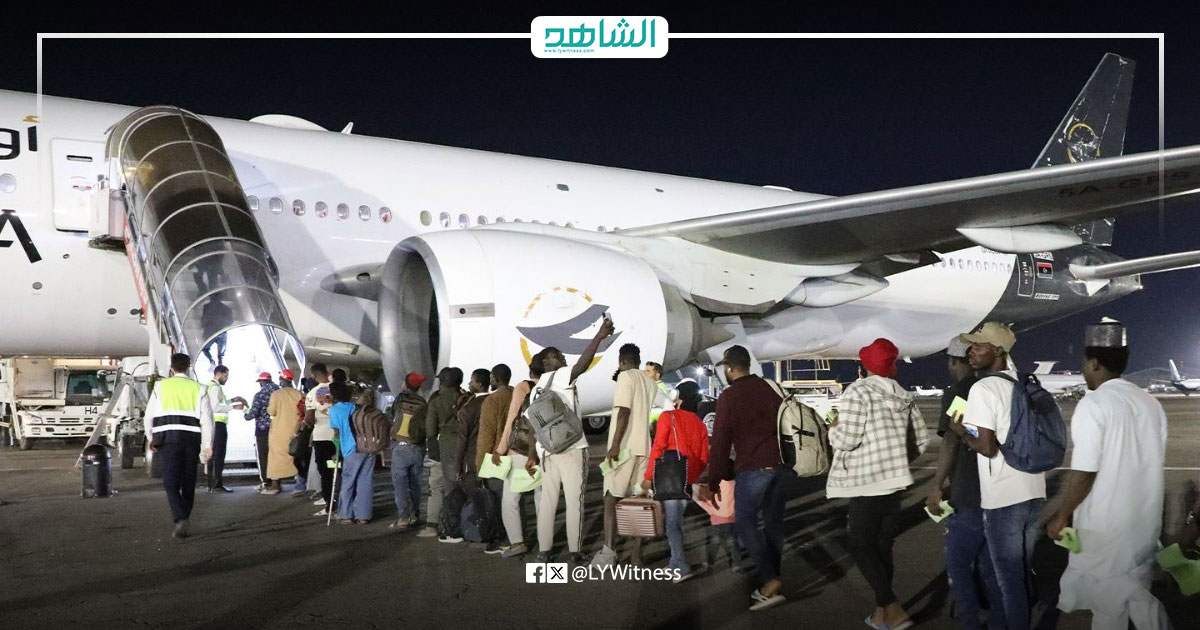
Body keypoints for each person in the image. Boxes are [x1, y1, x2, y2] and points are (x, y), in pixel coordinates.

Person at [1046, 320, 1171, 629]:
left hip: (1107, 529)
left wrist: (1062, 514)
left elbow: (1085, 471)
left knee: (1110, 606)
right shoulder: (1150, 403)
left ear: (1094, 363)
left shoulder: (1094, 404)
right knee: (1136, 597)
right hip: (1144, 524)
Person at [947, 322, 1047, 630]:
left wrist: (961, 432)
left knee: (1008, 581)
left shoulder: (983, 388)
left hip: (1004, 496)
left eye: (978, 346)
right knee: (1019, 574)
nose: (971, 351)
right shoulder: (1025, 383)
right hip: (1034, 490)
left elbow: (986, 447)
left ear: (998, 351)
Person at [828, 338, 928, 630]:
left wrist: (833, 430)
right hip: (895, 483)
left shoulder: (858, 391)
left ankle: (893, 609)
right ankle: (880, 614)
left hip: (867, 482)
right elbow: (921, 440)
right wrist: (898, 459)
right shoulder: (904, 395)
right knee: (882, 547)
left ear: (865, 365)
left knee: (860, 545)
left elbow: (848, 439)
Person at [925, 335, 1006, 630]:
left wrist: (937, 485)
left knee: (959, 565)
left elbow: (951, 440)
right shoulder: (992, 386)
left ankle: (969, 620)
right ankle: (998, 620)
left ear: (953, 362)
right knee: (991, 566)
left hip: (969, 491)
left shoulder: (960, 392)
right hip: (998, 490)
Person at [527, 316, 616, 564]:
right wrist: (599, 336)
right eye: (557, 355)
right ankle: (575, 551)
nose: (563, 357)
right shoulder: (561, 376)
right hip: (572, 448)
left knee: (547, 502)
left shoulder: (536, 390)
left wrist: (533, 454)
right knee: (574, 501)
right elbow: (581, 366)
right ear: (547, 362)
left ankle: (544, 552)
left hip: (547, 452)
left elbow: (533, 426)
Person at [708, 344, 789, 611]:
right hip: (781, 466)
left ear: (730, 369)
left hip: (753, 468)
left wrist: (715, 480)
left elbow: (720, 443)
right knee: (773, 525)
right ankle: (772, 582)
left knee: (746, 523)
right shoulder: (771, 388)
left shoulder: (729, 396)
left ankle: (770, 578)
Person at [593, 343, 657, 566]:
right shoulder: (650, 381)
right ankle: (636, 554)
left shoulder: (625, 377)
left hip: (624, 448)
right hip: (644, 447)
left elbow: (624, 411)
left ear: (622, 361)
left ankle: (609, 552)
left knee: (611, 497)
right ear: (638, 360)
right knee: (639, 500)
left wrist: (614, 446)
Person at [641, 382, 709, 581]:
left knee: (672, 524)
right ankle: (673, 563)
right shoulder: (699, 424)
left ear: (680, 400)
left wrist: (648, 477)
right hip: (686, 478)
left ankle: (682, 567)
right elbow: (704, 457)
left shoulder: (668, 417)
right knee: (676, 521)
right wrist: (690, 476)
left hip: (669, 477)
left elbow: (658, 447)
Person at [144, 353, 214, 540]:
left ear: (171, 368)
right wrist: (208, 445)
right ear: (189, 367)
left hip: (168, 440)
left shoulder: (160, 386)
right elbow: (207, 420)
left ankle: (180, 517)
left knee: (170, 482)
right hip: (191, 440)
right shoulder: (200, 388)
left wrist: (150, 437)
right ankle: (185, 516)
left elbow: (149, 416)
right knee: (189, 481)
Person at [492, 362, 544, 558]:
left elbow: (512, 420)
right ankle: (544, 542)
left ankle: (517, 542)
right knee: (542, 497)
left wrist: (501, 448)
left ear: (531, 371)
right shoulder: (552, 385)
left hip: (521, 451)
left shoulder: (523, 387)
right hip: (544, 449)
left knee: (511, 498)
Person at [419, 367, 467, 540]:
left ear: (443, 382)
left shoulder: (437, 401)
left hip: (443, 449)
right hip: (467, 447)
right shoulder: (467, 398)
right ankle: (468, 524)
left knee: (440, 487)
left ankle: (438, 526)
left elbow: (431, 430)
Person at [444, 368, 491, 544]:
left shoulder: (468, 408)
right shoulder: (494, 401)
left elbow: (462, 439)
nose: (469, 383)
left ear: (478, 383)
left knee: (475, 499)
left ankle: (479, 532)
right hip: (494, 456)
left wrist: (457, 466)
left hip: (472, 459)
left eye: (472, 380)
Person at [476, 364, 513, 554]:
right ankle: (517, 537)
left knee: (498, 502)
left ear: (496, 379)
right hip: (516, 453)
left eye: (491, 377)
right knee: (515, 501)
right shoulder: (515, 395)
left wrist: (480, 465)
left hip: (497, 457)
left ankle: (504, 539)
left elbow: (486, 436)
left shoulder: (492, 401)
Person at [327, 381, 372, 523]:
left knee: (348, 482)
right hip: (368, 447)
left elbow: (337, 433)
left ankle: (346, 515)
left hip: (350, 448)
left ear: (334, 396)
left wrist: (336, 452)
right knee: (365, 482)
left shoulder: (334, 410)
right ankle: (363, 516)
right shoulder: (356, 407)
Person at [389, 372, 428, 530]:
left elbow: (391, 417)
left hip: (400, 447)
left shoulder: (400, 399)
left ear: (405, 384)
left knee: (400, 485)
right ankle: (415, 515)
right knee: (415, 484)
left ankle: (403, 518)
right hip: (417, 447)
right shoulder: (423, 403)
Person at [205, 365, 245, 494]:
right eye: (226, 375)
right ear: (219, 374)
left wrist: (232, 400)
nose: (227, 378)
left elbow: (218, 403)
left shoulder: (210, 386)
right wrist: (234, 407)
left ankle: (211, 484)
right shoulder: (215, 388)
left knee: (212, 454)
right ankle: (217, 484)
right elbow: (215, 407)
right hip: (218, 424)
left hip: (213, 424)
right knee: (219, 455)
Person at [263, 370, 303, 495]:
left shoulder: (276, 394)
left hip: (279, 432)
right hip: (295, 430)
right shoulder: (299, 394)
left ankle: (276, 485)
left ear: (281, 380)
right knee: (296, 457)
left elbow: (271, 411)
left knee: (276, 458)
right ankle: (300, 485)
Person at [303, 364, 336, 516]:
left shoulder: (311, 394)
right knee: (339, 468)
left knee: (326, 472)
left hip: (322, 438)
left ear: (314, 375)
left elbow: (309, 419)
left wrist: (307, 423)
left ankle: (330, 504)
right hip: (338, 437)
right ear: (327, 372)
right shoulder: (337, 389)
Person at [244, 371, 279, 490]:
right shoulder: (279, 392)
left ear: (261, 382)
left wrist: (245, 412)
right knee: (275, 455)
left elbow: (252, 414)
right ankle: (277, 482)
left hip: (263, 430)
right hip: (278, 428)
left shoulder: (260, 395)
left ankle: (266, 482)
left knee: (263, 457)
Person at [644, 361, 672, 434]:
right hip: (654, 426)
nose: (645, 374)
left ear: (657, 375)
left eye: (648, 371)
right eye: (645, 371)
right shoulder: (658, 386)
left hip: (655, 427)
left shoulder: (656, 389)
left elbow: (669, 406)